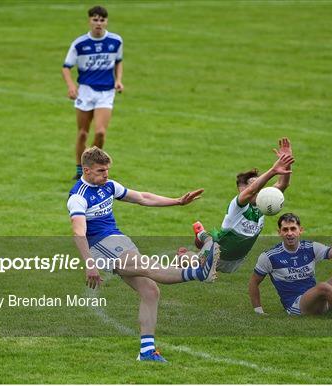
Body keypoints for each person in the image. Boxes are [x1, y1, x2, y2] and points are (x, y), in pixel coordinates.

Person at [67, 146, 219, 362]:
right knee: (147, 266)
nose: (106, 174)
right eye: (101, 171)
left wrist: (177, 201)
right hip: (101, 247)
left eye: (107, 169)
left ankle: (146, 352)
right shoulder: (78, 197)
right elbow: (78, 231)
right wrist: (89, 264)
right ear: (87, 170)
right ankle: (197, 272)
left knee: (150, 291)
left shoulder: (109, 186)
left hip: (118, 241)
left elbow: (142, 197)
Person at [193, 138, 294, 273]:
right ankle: (200, 236)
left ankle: (202, 235)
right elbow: (251, 191)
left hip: (234, 262)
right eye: (254, 184)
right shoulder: (238, 206)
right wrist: (273, 171)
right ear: (242, 189)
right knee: (186, 265)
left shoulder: (262, 204)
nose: (259, 188)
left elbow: (283, 184)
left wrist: (287, 162)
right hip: (214, 255)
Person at [62, 5, 124, 180]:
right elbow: (66, 67)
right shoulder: (80, 44)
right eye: (95, 20)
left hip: (106, 92)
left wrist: (118, 80)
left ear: (106, 22)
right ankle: (80, 170)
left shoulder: (116, 41)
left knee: (101, 133)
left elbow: (119, 61)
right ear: (89, 21)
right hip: (86, 91)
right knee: (82, 132)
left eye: (102, 20)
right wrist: (71, 86)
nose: (99, 23)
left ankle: (94, 166)